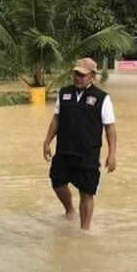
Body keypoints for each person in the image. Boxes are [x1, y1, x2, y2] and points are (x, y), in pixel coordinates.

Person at [42, 57, 116, 231]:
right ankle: (69, 210)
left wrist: (112, 154)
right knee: (57, 182)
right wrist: (46, 141)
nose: (77, 77)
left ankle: (84, 231)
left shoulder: (102, 98)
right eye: (76, 73)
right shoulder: (64, 93)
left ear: (92, 76)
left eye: (82, 75)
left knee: (86, 192)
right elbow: (56, 120)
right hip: (64, 150)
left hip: (87, 154)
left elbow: (110, 128)